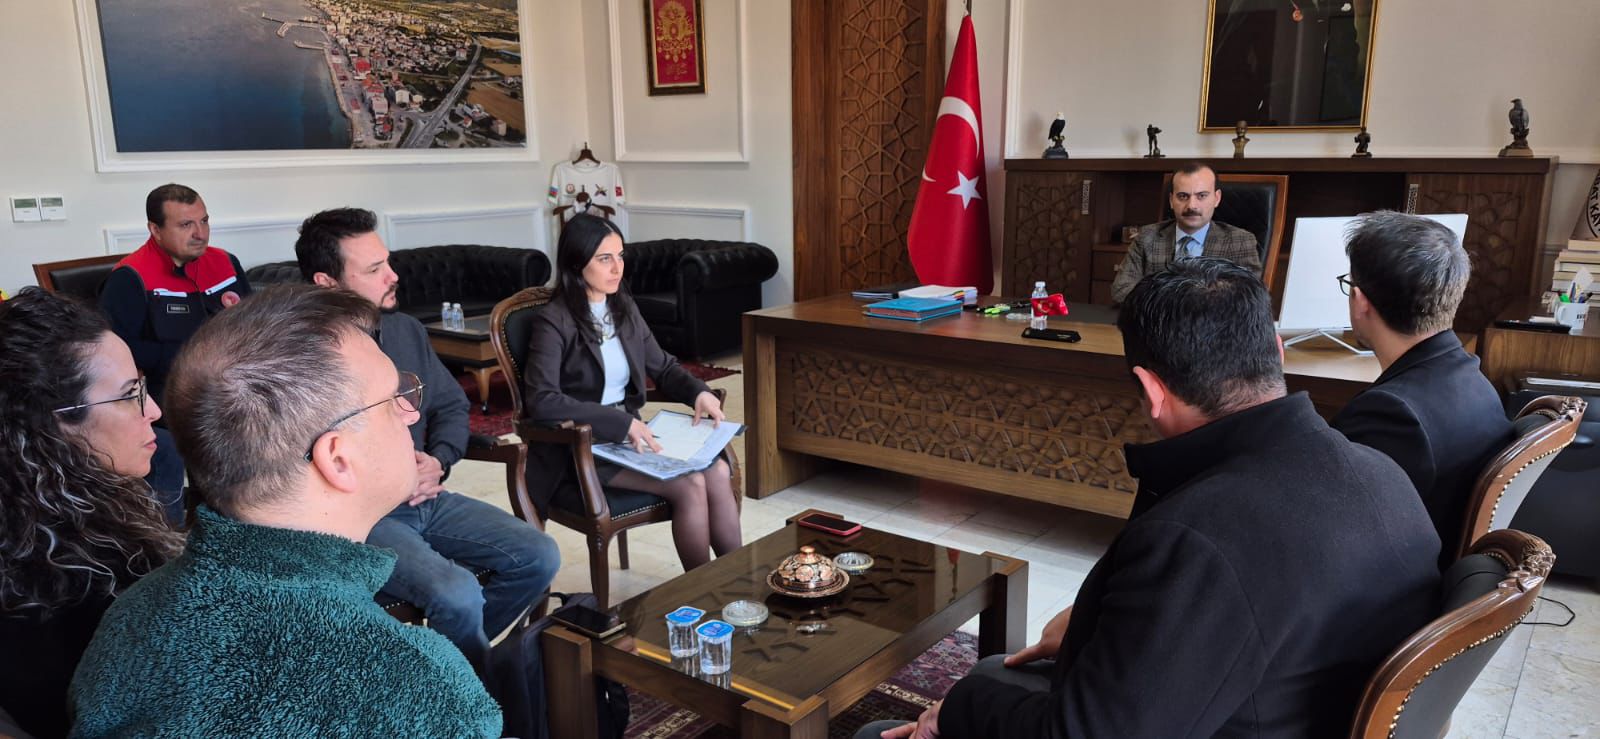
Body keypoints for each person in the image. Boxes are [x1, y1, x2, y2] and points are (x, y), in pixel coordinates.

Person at [859, 258, 1441, 739]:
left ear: (1150, 390)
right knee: (996, 675)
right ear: (1276, 352)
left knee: (893, 726)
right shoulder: (1383, 472)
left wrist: (957, 710)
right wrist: (1095, 628)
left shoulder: (1194, 538)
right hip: (1280, 706)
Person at [69, 286, 501, 738]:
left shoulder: (130, 617)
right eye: (394, 399)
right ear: (338, 459)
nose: (411, 413)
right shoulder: (417, 684)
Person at [294, 207, 559, 671]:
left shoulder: (404, 330)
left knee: (540, 555)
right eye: (374, 270)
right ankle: (464, 684)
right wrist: (383, 481)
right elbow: (301, 460)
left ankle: (444, 671)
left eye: (387, 262)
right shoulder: (299, 355)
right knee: (457, 594)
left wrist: (439, 460)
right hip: (363, 517)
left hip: (425, 496)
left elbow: (451, 407)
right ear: (326, 283)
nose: (393, 276)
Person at [0, 289, 181, 739]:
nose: (154, 410)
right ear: (55, 422)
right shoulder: (93, 575)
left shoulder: (39, 515)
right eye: (130, 395)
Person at [523, 214, 740, 570]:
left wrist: (698, 393)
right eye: (604, 258)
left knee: (716, 472)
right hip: (579, 447)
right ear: (577, 263)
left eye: (620, 256)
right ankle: (701, 589)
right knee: (690, 485)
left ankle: (737, 580)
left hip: (627, 438)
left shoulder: (622, 307)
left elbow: (663, 366)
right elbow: (542, 400)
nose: (617, 268)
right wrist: (620, 423)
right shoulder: (554, 321)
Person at [1332, 211, 1513, 567]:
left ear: (1359, 300)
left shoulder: (1391, 414)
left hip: (1399, 586)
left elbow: (1333, 527)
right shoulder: (1473, 378)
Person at [100, 184, 253, 521]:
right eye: (186, 225)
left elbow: (255, 320)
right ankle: (207, 526)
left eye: (204, 221)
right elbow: (115, 351)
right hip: (167, 391)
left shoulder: (226, 263)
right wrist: (187, 354)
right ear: (155, 230)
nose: (200, 233)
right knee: (227, 426)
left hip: (230, 380)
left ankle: (252, 523)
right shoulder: (130, 278)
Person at [1110, 162, 1261, 304]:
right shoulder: (1147, 237)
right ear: (1171, 200)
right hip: (1157, 322)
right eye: (1183, 196)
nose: (1191, 205)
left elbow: (1250, 297)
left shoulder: (1240, 241)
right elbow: (1121, 291)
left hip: (1214, 324)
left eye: (1202, 196)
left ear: (1217, 198)